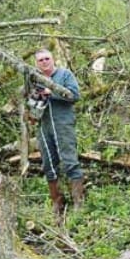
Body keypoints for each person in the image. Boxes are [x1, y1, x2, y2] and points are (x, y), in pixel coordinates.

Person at [31, 48, 84, 217]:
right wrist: (32, 109)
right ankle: (57, 202)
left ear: (53, 59)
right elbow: (30, 101)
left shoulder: (65, 75)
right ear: (36, 63)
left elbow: (74, 95)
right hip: (43, 125)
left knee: (69, 161)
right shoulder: (34, 79)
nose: (44, 62)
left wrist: (51, 93)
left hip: (63, 124)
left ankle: (78, 203)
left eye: (47, 58)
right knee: (48, 164)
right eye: (40, 60)